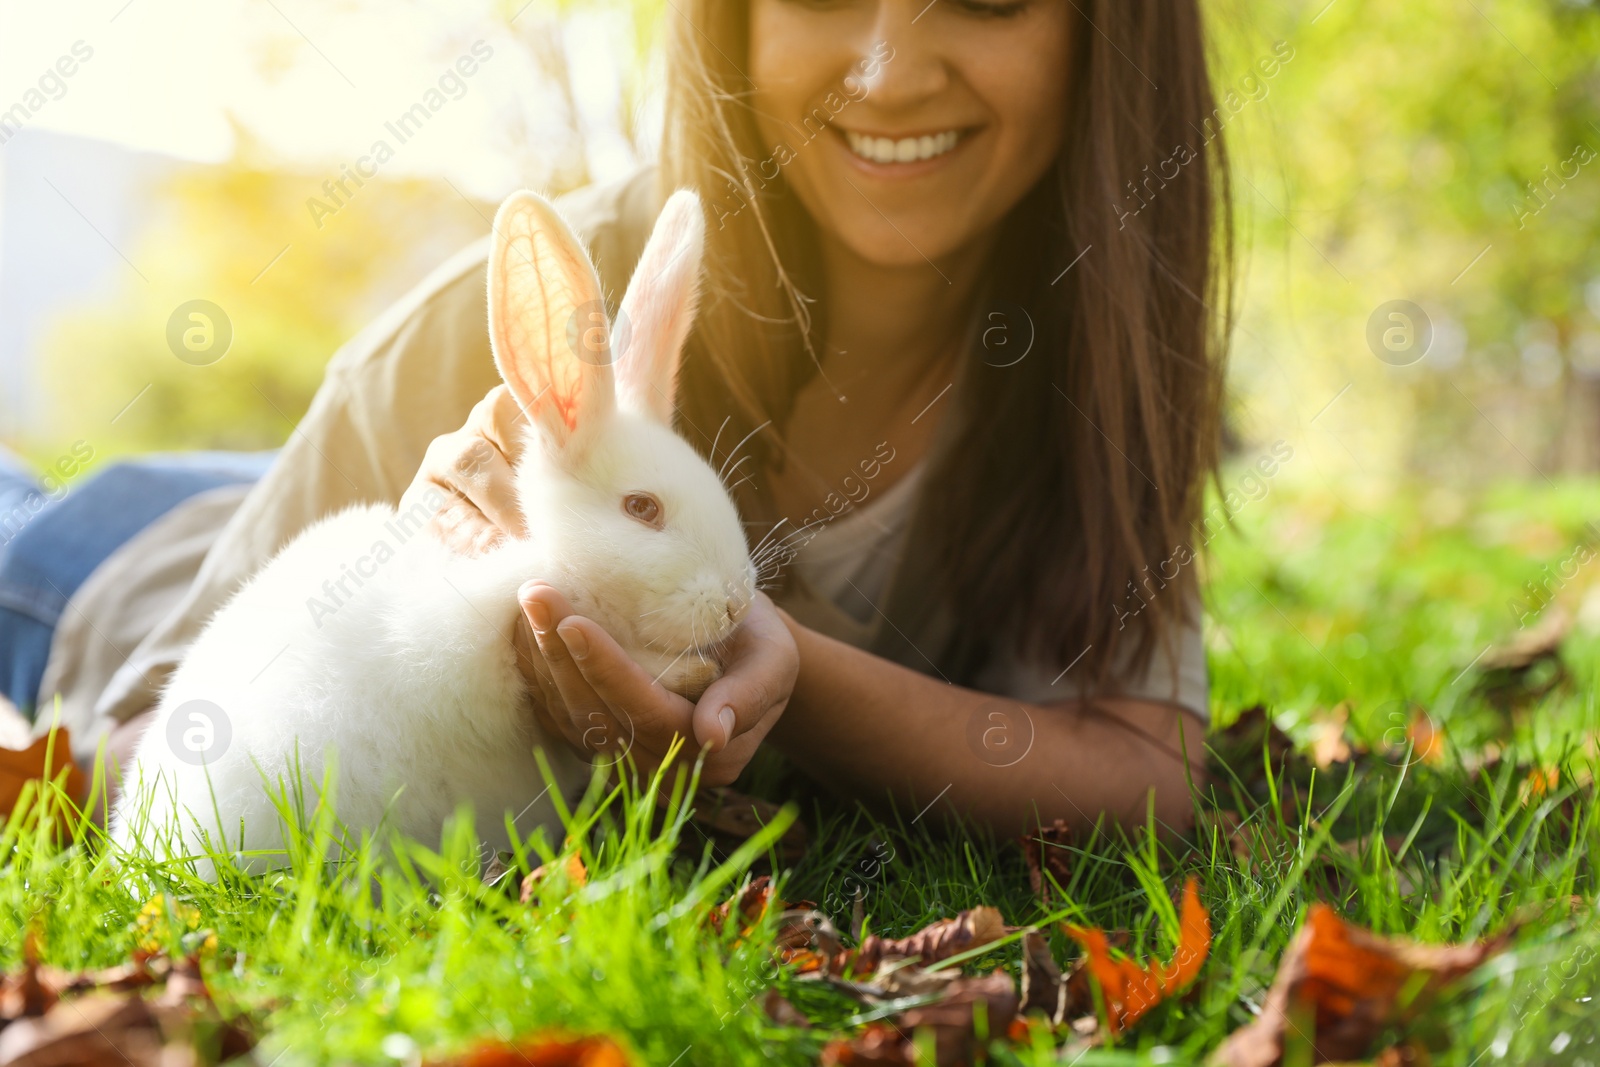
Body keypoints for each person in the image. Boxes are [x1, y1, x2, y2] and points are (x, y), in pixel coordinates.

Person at [5, 0, 1226, 836]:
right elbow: (166, 730)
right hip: (125, 565)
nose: (888, 72)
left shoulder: (1102, 346)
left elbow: (1145, 767)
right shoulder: (545, 302)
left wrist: (784, 672)